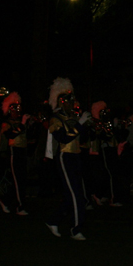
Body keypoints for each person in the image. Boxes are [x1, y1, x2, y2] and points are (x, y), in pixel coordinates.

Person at [45, 77, 89, 240]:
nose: (73, 104)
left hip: (76, 156)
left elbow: (83, 138)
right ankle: (76, 229)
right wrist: (78, 125)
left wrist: (83, 124)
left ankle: (53, 220)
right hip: (65, 156)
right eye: (69, 101)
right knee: (75, 194)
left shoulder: (74, 117)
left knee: (76, 194)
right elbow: (62, 138)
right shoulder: (56, 118)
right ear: (62, 102)